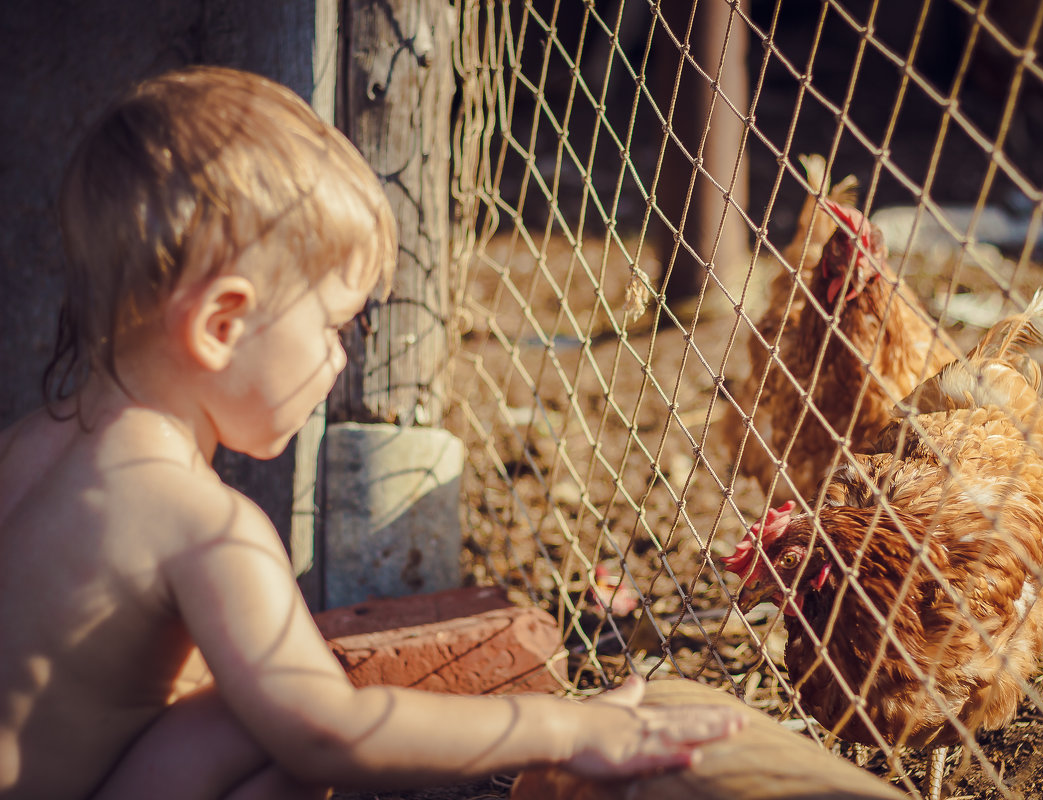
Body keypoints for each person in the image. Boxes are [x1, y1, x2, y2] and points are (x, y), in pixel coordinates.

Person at [0, 66, 743, 799]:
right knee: (275, 728)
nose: (339, 355)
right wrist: (564, 729)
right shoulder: (203, 526)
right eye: (330, 324)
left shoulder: (30, 446)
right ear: (221, 325)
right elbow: (332, 733)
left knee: (235, 712)